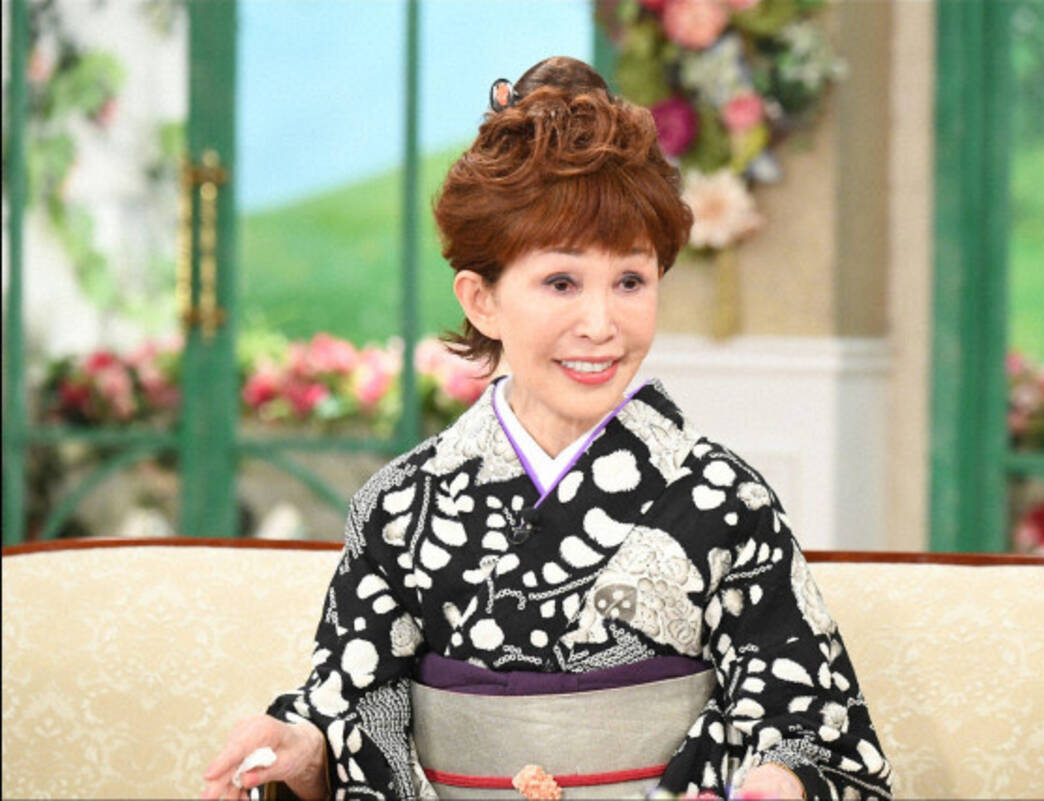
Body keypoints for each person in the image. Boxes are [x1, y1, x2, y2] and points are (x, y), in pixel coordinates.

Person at [202, 56, 892, 801]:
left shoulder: (725, 501)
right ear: (482, 299)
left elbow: (812, 728)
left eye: (631, 281)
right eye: (561, 282)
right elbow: (350, 706)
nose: (600, 324)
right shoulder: (401, 506)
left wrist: (778, 782)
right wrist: (306, 751)